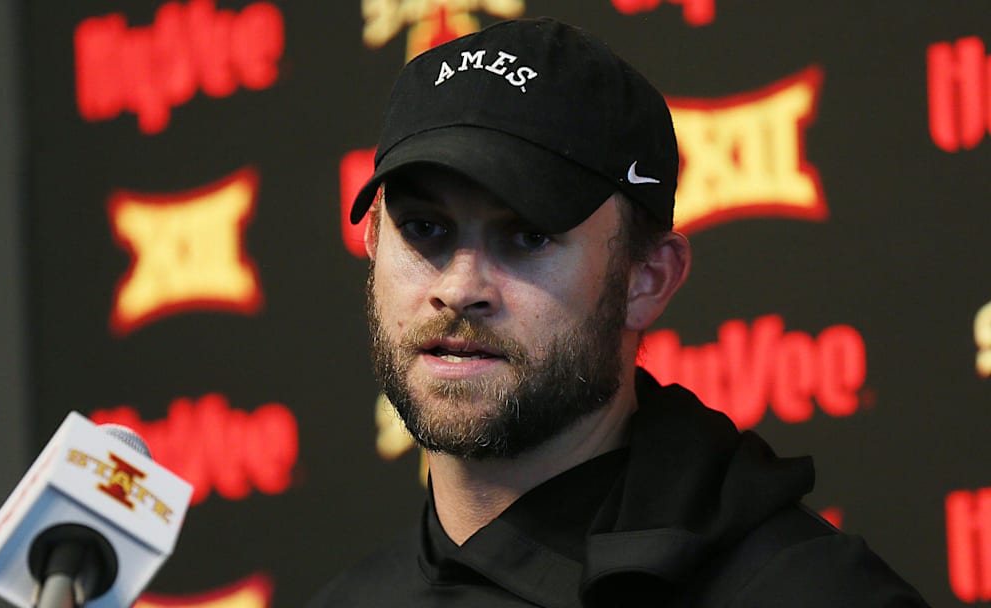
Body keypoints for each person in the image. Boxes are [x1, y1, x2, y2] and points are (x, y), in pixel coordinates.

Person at [310, 17, 929, 607]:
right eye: (424, 229)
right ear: (372, 245)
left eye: (528, 237)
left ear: (647, 279)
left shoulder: (803, 594)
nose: (461, 286)